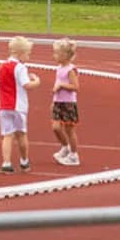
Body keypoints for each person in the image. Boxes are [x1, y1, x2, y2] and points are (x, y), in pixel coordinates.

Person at [0, 35, 40, 173]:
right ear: (20, 53)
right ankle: (24, 161)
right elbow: (26, 85)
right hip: (18, 105)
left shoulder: (3, 66)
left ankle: (6, 162)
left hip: (4, 105)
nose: (29, 56)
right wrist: (37, 81)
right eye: (27, 54)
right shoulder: (20, 67)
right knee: (21, 134)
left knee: (7, 135)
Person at [50, 38, 81, 166]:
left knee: (69, 130)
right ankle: (65, 147)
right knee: (56, 127)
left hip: (68, 103)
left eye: (56, 53)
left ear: (65, 55)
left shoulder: (70, 70)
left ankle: (74, 155)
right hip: (58, 102)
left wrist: (62, 85)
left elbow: (76, 87)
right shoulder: (59, 68)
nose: (54, 55)